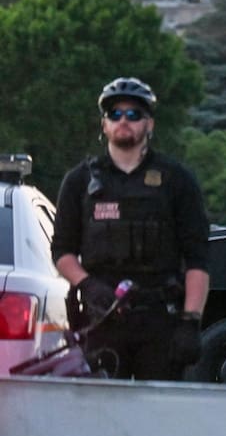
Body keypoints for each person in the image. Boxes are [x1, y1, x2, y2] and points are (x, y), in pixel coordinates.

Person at [50, 77, 210, 380]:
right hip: (102, 319)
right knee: (103, 407)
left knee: (158, 407)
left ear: (149, 124)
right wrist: (88, 285)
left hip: (160, 320)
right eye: (115, 114)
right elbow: (62, 251)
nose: (124, 121)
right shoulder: (79, 181)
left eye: (134, 114)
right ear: (104, 124)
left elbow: (197, 259)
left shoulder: (177, 180)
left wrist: (191, 321)